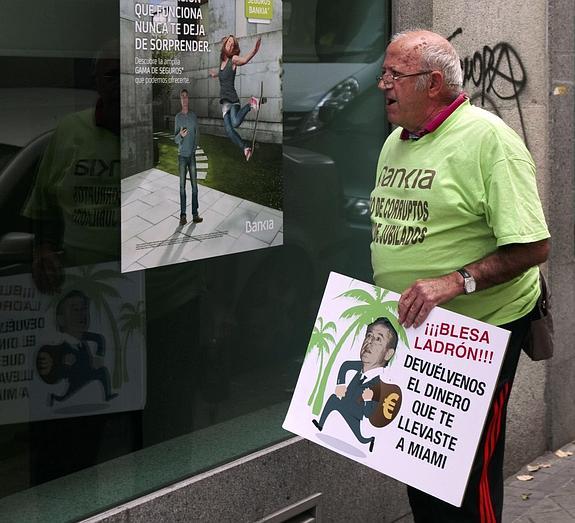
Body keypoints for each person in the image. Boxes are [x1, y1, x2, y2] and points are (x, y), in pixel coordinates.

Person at [372, 29, 550, 522]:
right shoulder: (395, 143)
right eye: (382, 72)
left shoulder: (489, 140)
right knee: (420, 468)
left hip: (481, 335)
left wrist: (457, 281)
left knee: (468, 478)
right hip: (417, 334)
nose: (382, 83)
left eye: (394, 74)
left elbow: (534, 244)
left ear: (432, 83)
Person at [312, 317, 398, 452]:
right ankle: (320, 425)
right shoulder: (358, 366)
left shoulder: (378, 386)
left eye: (378, 339)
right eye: (368, 336)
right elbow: (345, 366)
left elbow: (369, 413)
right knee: (333, 400)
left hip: (355, 413)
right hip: (345, 402)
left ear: (388, 354)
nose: (369, 342)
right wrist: (340, 384)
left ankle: (369, 440)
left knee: (360, 437)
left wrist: (369, 399)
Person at [36, 290, 117, 406]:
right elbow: (56, 368)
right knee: (66, 395)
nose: (82, 314)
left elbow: (99, 339)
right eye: (75, 310)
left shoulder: (83, 338)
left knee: (102, 372)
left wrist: (99, 355)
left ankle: (108, 396)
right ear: (61, 319)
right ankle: (56, 398)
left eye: (84, 309)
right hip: (76, 377)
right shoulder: (60, 346)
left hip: (86, 372)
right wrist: (64, 364)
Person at [209, 35, 262, 161]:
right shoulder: (222, 61)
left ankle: (251, 104)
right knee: (229, 131)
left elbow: (244, 60)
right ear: (225, 44)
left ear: (234, 48)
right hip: (224, 105)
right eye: (229, 43)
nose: (230, 45)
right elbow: (222, 73)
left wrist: (254, 50)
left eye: (233, 44)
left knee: (235, 123)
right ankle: (245, 148)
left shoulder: (234, 59)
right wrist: (215, 74)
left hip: (233, 101)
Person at [174, 88, 202, 226]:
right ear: (180, 99)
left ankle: (195, 214)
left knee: (195, 187)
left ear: (188, 99)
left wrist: (194, 148)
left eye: (186, 97)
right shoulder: (178, 118)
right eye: (182, 96)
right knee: (182, 187)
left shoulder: (193, 116)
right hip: (181, 157)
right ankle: (183, 216)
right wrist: (181, 136)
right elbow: (175, 139)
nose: (184, 99)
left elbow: (197, 134)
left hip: (191, 156)